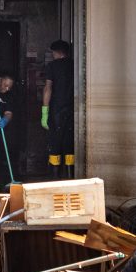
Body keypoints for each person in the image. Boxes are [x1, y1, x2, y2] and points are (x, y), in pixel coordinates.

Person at [42, 40, 75, 179]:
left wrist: (44, 111)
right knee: (69, 142)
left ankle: (55, 178)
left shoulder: (52, 66)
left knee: (55, 142)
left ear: (57, 52)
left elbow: (48, 88)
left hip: (56, 109)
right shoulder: (75, 64)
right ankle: (70, 176)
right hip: (73, 109)